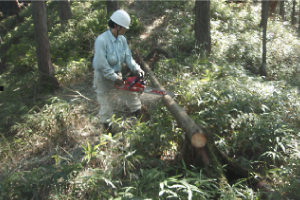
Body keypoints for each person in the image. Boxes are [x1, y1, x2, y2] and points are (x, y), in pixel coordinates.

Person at [93, 9, 144, 132]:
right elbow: (102, 64)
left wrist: (137, 69)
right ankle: (110, 134)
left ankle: (142, 127)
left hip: (118, 74)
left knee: (133, 97)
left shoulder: (122, 40)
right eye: (124, 28)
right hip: (103, 78)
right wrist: (114, 78)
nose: (125, 30)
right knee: (106, 106)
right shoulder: (101, 41)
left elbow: (128, 58)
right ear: (116, 25)